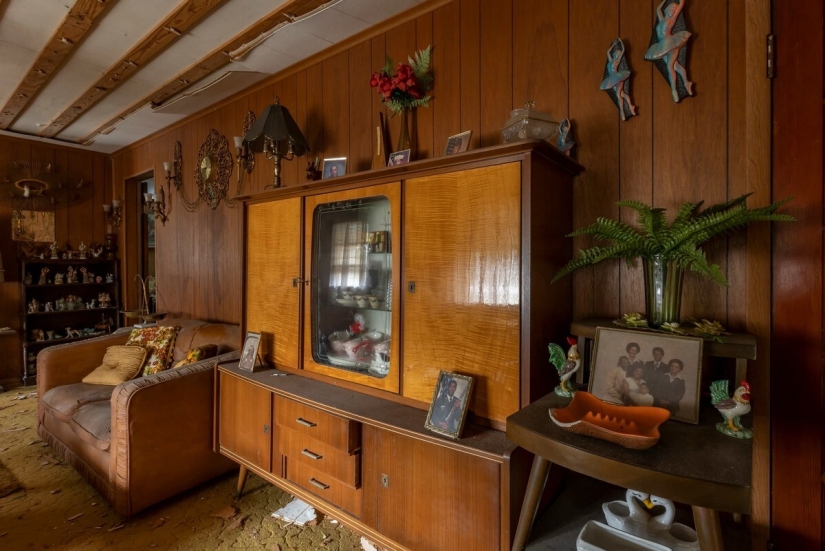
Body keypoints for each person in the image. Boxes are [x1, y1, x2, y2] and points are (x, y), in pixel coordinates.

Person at [645, 0, 693, 103]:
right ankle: (686, 82)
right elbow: (658, 9)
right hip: (661, 46)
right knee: (676, 66)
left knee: (670, 66)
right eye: (671, 9)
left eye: (674, 10)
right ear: (667, 10)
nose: (673, 11)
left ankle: (674, 90)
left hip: (670, 43)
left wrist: (679, 4)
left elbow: (681, 4)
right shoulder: (662, 19)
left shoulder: (672, 19)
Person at [599, 38, 636, 120]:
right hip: (612, 80)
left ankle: (622, 111)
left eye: (618, 54)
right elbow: (608, 52)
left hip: (618, 78)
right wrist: (614, 45)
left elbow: (623, 50)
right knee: (623, 94)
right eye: (616, 53)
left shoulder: (617, 61)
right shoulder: (611, 60)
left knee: (618, 95)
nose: (617, 54)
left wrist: (621, 42)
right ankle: (630, 106)